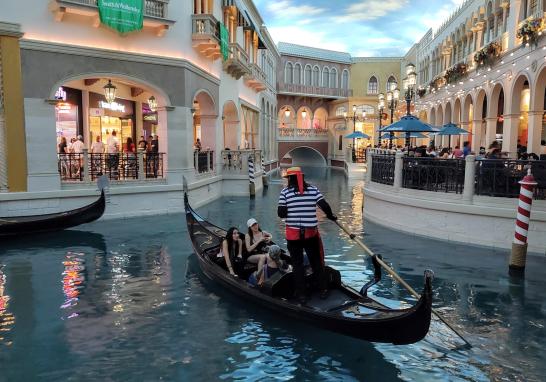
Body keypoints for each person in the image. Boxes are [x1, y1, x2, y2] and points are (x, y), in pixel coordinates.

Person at [277, 167, 337, 304]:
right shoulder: (313, 190)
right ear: (301, 177)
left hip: (293, 236)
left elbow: (280, 213)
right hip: (310, 234)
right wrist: (331, 216)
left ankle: (302, 295)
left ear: (290, 179)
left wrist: (291, 210)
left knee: (297, 265)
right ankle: (323, 290)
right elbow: (324, 205)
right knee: (316, 262)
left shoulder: (285, 192)